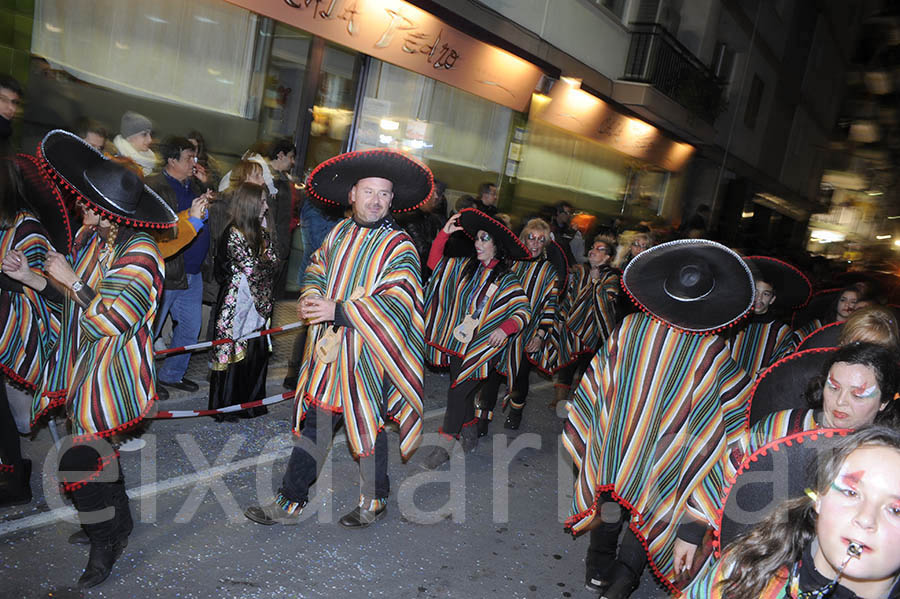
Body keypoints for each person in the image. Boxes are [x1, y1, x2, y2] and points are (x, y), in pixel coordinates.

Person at [3, 129, 176, 587]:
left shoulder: (141, 253)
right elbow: (66, 303)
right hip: (83, 367)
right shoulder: (96, 241)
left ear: (107, 212)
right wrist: (33, 278)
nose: (78, 205)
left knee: (79, 460)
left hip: (113, 375)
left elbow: (111, 317)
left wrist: (69, 276)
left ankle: (105, 543)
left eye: (85, 202)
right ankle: (117, 525)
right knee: (98, 451)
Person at [243, 148, 430, 528]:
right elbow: (317, 267)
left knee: (367, 429)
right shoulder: (339, 232)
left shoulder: (400, 246)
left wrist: (340, 310)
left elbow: (401, 302)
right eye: (368, 192)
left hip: (368, 356)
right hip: (329, 356)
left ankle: (375, 500)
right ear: (352, 195)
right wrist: (312, 296)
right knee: (317, 426)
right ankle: (291, 500)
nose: (376, 201)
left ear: (392, 200)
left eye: (383, 194)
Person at [563, 239, 755, 597]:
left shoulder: (631, 327)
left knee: (610, 501)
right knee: (654, 504)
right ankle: (622, 579)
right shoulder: (710, 349)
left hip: (617, 441)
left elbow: (596, 380)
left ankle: (599, 564)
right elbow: (735, 406)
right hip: (669, 454)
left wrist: (593, 424)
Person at [685, 426, 900, 599]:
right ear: (819, 498)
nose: (865, 519)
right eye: (851, 493)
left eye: (896, 510)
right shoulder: (749, 567)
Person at [421, 208, 531, 468]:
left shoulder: (507, 279)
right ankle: (469, 434)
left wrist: (504, 329)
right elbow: (436, 267)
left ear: (497, 246)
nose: (477, 243)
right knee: (463, 393)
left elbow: (522, 310)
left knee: (457, 393)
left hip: (483, 349)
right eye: (477, 238)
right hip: (460, 344)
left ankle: (445, 444)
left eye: (484, 239)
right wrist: (443, 236)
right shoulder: (465, 268)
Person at [0, 155, 64, 507]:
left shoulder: (27, 227)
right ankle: (13, 468)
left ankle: (15, 474)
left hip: (24, 324)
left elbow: (39, 286)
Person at [476, 217, 557, 433]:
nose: (535, 243)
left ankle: (516, 410)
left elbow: (550, 306)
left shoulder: (549, 271)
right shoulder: (510, 262)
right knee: (490, 375)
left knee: (520, 377)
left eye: (541, 239)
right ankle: (483, 417)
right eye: (531, 237)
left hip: (527, 335)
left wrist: (540, 336)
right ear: (523, 239)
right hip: (500, 328)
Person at [147, 137, 214, 394]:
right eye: (188, 158)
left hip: (193, 272)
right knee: (152, 330)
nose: (194, 163)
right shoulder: (155, 186)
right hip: (168, 269)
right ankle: (146, 382)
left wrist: (207, 195)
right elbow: (161, 232)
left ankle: (172, 375)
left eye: (195, 157)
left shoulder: (195, 185)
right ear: (172, 160)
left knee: (190, 328)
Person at [208, 183, 278, 421]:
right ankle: (228, 407)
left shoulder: (261, 230)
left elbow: (272, 262)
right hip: (236, 303)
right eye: (262, 202)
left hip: (258, 302)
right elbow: (254, 268)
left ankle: (250, 404)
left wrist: (265, 259)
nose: (266, 207)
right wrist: (264, 263)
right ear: (250, 204)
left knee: (255, 353)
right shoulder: (233, 232)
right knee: (235, 350)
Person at [551, 235, 619, 410]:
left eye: (599, 249)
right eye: (593, 247)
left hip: (595, 332)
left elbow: (607, 301)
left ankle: (579, 406)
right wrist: (561, 318)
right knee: (566, 365)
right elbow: (570, 297)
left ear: (608, 257)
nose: (593, 251)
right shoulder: (581, 271)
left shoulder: (612, 276)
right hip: (572, 328)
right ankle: (559, 402)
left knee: (587, 371)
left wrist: (596, 282)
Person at [726, 257, 810, 378]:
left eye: (766, 294)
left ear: (772, 299)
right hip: (725, 388)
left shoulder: (781, 330)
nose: (759, 299)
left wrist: (774, 369)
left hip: (758, 390)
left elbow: (785, 362)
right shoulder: (732, 323)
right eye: (755, 292)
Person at [112, 111, 157, 176]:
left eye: (150, 134)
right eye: (144, 134)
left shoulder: (145, 165)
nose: (150, 140)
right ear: (129, 137)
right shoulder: (117, 165)